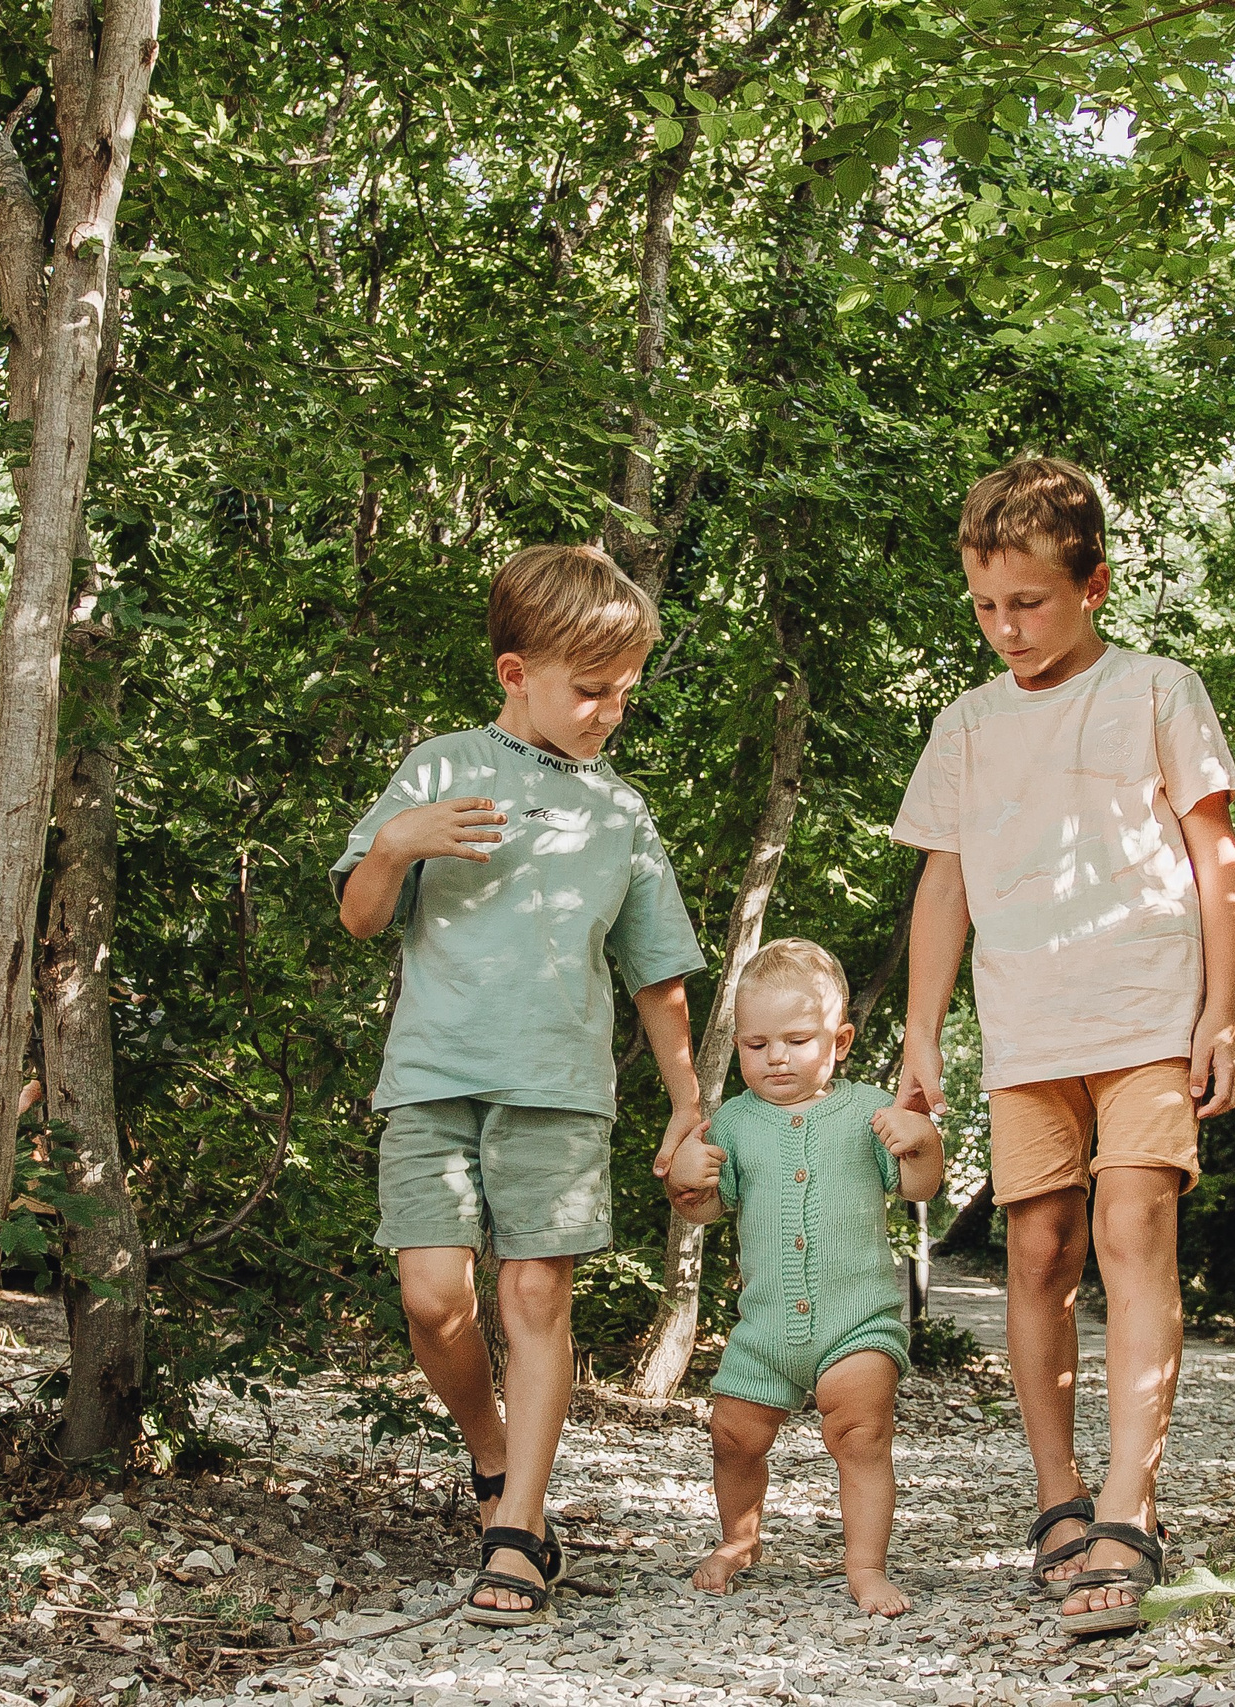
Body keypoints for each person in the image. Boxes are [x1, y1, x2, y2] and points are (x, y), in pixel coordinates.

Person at [890, 458, 1235, 1637]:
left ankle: (1129, 1513)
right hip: (1023, 1027)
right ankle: (1058, 1503)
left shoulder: (1156, 688)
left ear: (1092, 583)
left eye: (1028, 603)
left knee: (1130, 1227)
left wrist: (1219, 1013)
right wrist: (922, 1036)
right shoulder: (969, 721)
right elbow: (941, 889)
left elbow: (1215, 862)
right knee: (1036, 1250)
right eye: (986, 606)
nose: (1005, 629)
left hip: (1146, 1014)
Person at [333, 543, 708, 1627]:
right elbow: (362, 918)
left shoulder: (622, 815)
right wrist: (395, 846)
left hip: (557, 1086)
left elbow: (657, 975)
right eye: (588, 690)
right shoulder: (442, 767)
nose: (607, 712)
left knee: (536, 1294)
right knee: (431, 1299)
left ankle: (515, 1536)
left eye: (624, 693)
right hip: (433, 1077)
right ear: (515, 673)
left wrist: (686, 1100)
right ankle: (494, 1458)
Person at [661, 938, 944, 1617]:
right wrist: (684, 1180)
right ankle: (739, 1538)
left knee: (860, 1433)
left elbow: (918, 1182)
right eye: (757, 1045)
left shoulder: (868, 1110)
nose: (776, 1057)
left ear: (839, 1040)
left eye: (796, 1038)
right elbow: (703, 1208)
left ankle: (866, 1565)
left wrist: (922, 1141)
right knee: (732, 1434)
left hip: (858, 1323)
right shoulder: (732, 1121)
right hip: (763, 1331)